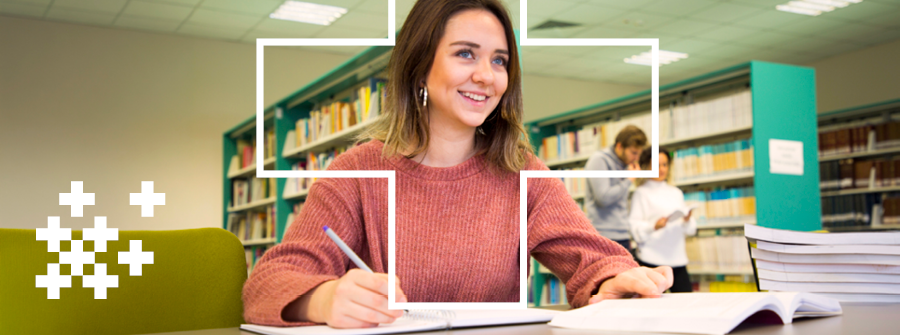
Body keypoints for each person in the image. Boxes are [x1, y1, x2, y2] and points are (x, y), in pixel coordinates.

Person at [242, 0, 673, 329]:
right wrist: (323, 298)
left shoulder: (521, 171)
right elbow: (267, 284)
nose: (487, 75)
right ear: (419, 67)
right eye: (466, 54)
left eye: (499, 60)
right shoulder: (356, 173)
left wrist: (613, 279)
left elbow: (592, 259)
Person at [629, 148, 697, 293]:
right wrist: (654, 226)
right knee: (653, 303)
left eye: (665, 165)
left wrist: (686, 220)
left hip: (678, 259)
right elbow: (635, 228)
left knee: (687, 302)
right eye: (657, 165)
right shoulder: (641, 193)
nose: (662, 169)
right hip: (652, 260)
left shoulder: (676, 192)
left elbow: (691, 230)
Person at [584, 125, 646, 254]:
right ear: (619, 146)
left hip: (622, 234)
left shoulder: (625, 165)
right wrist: (629, 180)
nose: (636, 158)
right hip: (603, 235)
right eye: (633, 153)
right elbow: (603, 198)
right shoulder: (599, 160)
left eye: (639, 154)